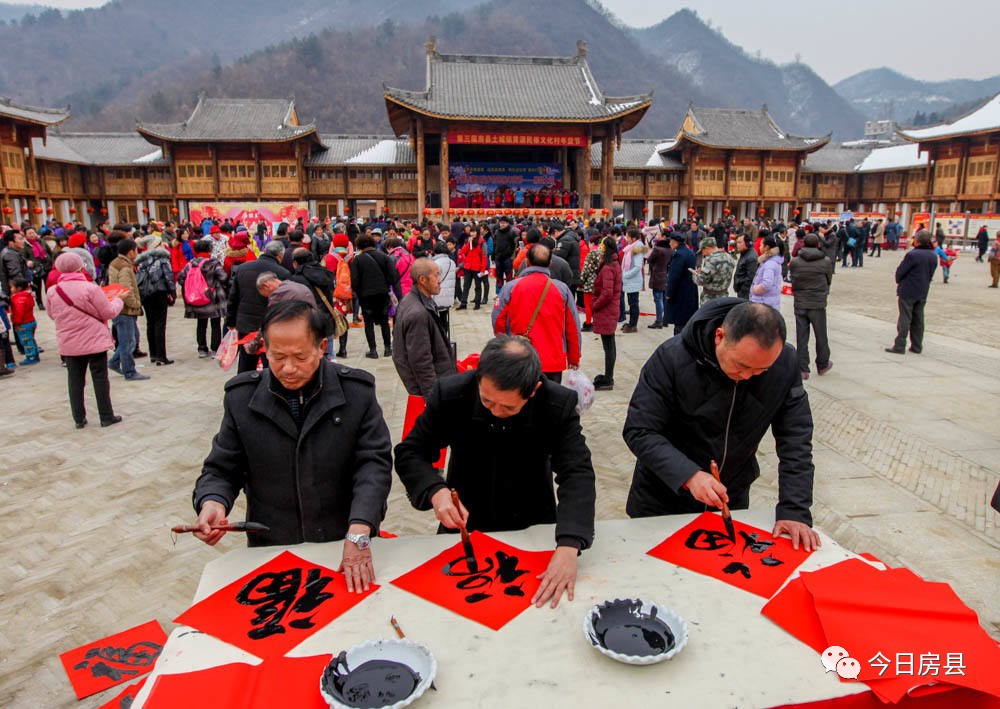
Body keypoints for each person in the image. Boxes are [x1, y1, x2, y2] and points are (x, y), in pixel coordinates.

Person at [191, 300, 393, 591]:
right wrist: (213, 501)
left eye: (300, 357)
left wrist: (360, 528)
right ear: (265, 349)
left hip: (343, 542)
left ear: (322, 346)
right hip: (272, 548)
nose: (288, 368)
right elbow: (222, 468)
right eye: (278, 357)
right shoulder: (241, 399)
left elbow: (374, 465)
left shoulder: (356, 394)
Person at [394, 335, 596, 608]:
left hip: (532, 525)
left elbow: (577, 472)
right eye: (488, 402)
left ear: (533, 389)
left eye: (509, 407)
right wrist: (435, 491)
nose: (497, 411)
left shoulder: (556, 404)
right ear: (479, 377)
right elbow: (411, 452)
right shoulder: (452, 394)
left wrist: (570, 544)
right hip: (465, 525)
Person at [624, 299, 820, 550]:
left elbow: (796, 439)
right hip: (663, 499)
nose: (748, 376)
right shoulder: (671, 357)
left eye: (761, 369)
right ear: (720, 336)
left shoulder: (784, 364)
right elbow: (639, 430)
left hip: (730, 498)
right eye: (741, 365)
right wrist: (689, 475)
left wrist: (794, 510)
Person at [46, 251, 124, 428]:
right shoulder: (90, 288)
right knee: (100, 378)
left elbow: (52, 314)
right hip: (94, 339)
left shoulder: (53, 291)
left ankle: (79, 419)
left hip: (69, 341)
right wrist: (118, 300)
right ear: (81, 267)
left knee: (75, 380)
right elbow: (108, 312)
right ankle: (106, 415)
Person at [493, 244, 581, 384]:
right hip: (552, 361)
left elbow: (498, 321)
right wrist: (574, 358)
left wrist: (505, 349)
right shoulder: (561, 289)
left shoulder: (510, 288)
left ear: (527, 262)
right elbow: (573, 328)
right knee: (550, 402)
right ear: (550, 263)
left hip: (519, 358)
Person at [392, 258, 457, 397]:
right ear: (422, 279)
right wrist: (433, 399)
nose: (440, 280)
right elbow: (421, 362)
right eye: (436, 275)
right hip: (434, 388)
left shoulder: (412, 300)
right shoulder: (418, 313)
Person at [226, 240, 290, 372]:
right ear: (280, 256)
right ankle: (267, 389)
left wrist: (231, 321)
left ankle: (243, 388)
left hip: (246, 323)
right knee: (270, 361)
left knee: (246, 361)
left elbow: (233, 298)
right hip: (270, 324)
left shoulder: (243, 268)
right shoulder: (283, 273)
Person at [789, 233, 834, 379]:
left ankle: (803, 369)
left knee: (802, 336)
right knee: (821, 335)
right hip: (817, 302)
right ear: (818, 245)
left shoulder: (795, 261)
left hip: (801, 301)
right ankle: (822, 364)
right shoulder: (826, 261)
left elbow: (794, 281)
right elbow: (828, 279)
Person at [886, 229, 937, 355]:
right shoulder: (933, 255)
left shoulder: (913, 255)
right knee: (918, 319)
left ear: (917, 241)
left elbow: (901, 272)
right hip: (923, 290)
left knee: (905, 317)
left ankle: (900, 345)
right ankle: (917, 345)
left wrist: (899, 280)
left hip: (908, 290)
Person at [107, 239, 149, 381]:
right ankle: (129, 371)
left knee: (132, 338)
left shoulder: (117, 263)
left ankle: (114, 362)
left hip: (120, 307)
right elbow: (126, 289)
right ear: (130, 251)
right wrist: (136, 304)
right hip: (124, 309)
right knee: (128, 341)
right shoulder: (124, 266)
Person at [350, 234, 398, 359]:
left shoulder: (357, 260)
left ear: (359, 245)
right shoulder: (384, 257)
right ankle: (388, 348)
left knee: (369, 322)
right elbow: (393, 277)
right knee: (384, 321)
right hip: (382, 294)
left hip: (366, 296)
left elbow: (354, 282)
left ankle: (373, 350)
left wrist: (359, 292)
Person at [178, 238, 228, 358]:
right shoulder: (213, 263)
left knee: (201, 324)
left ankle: (202, 349)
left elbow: (181, 279)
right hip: (212, 298)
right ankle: (215, 349)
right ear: (209, 250)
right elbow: (223, 277)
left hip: (196, 299)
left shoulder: (190, 264)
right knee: (215, 324)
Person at [135, 235, 176, 365]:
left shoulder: (141, 261)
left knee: (150, 323)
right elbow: (168, 276)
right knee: (160, 323)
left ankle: (153, 353)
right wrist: (172, 292)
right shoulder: (162, 259)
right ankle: (161, 355)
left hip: (145, 293)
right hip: (159, 292)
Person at [591, 236, 622, 391]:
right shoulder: (613, 264)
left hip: (606, 309)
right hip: (610, 308)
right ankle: (608, 376)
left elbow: (607, 293)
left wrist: (595, 305)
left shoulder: (609, 267)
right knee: (610, 343)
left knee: (609, 345)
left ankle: (608, 378)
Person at [664, 231, 698, 336]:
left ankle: (679, 347)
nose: (669, 244)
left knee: (679, 323)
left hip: (680, 293)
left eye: (670, 241)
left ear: (675, 242)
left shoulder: (678, 255)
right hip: (690, 290)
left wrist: (668, 293)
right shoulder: (689, 252)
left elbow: (673, 276)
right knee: (686, 321)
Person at [691, 236, 735, 305]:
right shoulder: (728, 257)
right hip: (724, 296)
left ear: (706, 248)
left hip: (710, 298)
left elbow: (702, 280)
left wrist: (695, 275)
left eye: (702, 251)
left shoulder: (711, 259)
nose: (702, 253)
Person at [620, 228, 648, 333]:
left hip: (633, 280)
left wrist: (626, 275)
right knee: (632, 302)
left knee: (633, 303)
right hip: (630, 280)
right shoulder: (632, 247)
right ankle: (631, 323)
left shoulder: (638, 247)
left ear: (633, 238)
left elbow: (637, 266)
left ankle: (633, 325)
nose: (626, 239)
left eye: (627, 237)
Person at [9, 277, 39, 365]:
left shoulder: (19, 299)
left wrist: (16, 322)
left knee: (26, 341)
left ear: (18, 288)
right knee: (31, 339)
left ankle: (31, 356)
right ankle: (35, 354)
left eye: (12, 287)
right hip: (31, 321)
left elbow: (19, 312)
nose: (10, 289)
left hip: (23, 323)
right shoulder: (27, 296)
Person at [457, 225, 488, 310]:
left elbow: (484, 257)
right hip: (468, 267)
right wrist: (468, 243)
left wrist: (482, 270)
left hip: (477, 268)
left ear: (477, 232)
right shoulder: (468, 241)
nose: (472, 233)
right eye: (471, 231)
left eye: (474, 232)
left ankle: (477, 304)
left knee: (477, 286)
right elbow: (463, 251)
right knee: (466, 285)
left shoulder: (482, 242)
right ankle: (463, 303)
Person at [749, 233, 784, 311]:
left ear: (767, 247)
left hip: (763, 304)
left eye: (761, 245)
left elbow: (767, 284)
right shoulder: (770, 261)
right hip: (768, 302)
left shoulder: (770, 264)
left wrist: (755, 289)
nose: (759, 247)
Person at [645, 233, 672, 329]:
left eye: (660, 235)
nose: (657, 237)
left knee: (658, 298)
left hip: (657, 275)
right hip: (667, 275)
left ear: (664, 237)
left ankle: (659, 320)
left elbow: (649, 259)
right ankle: (665, 319)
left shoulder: (657, 249)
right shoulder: (670, 249)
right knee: (664, 298)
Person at [431, 242, 456, 340]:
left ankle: (439, 339)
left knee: (436, 319)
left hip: (437, 296)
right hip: (448, 297)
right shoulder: (451, 262)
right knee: (444, 318)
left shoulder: (435, 263)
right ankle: (445, 338)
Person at [732, 233, 759, 300]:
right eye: (737, 242)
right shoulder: (744, 253)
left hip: (745, 293)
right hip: (741, 290)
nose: (737, 245)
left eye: (739, 242)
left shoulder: (751, 257)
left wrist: (743, 290)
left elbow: (750, 277)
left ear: (747, 243)